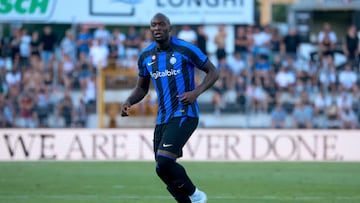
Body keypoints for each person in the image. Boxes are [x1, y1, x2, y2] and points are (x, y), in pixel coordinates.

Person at [121, 13, 219, 203]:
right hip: (163, 118)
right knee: (161, 168)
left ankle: (196, 195)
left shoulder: (186, 49)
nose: (157, 28)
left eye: (161, 24)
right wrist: (128, 101)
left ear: (169, 28)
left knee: (165, 160)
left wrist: (195, 93)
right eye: (153, 25)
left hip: (185, 114)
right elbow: (141, 87)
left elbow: (213, 72)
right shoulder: (145, 56)